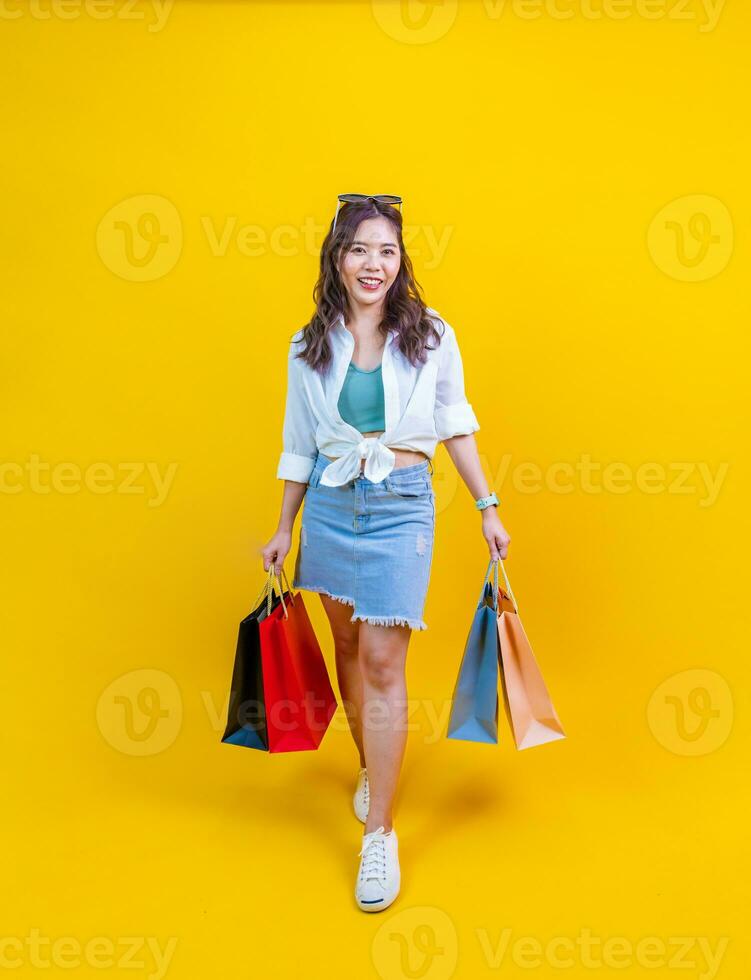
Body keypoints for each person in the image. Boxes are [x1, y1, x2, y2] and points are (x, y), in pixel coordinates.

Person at [262, 194, 511, 912]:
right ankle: (370, 765)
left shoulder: (429, 334)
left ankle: (379, 834)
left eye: (387, 251)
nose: (374, 264)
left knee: (382, 659)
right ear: (336, 259)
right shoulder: (306, 346)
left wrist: (486, 506)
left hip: (402, 507)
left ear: (400, 263)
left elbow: (453, 423)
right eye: (360, 249)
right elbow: (297, 446)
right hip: (333, 509)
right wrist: (283, 527)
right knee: (345, 645)